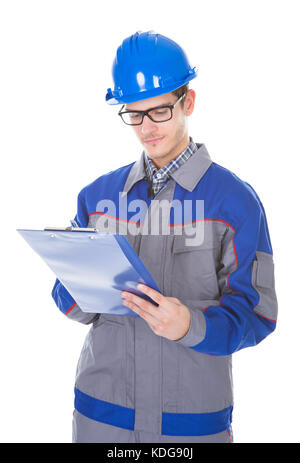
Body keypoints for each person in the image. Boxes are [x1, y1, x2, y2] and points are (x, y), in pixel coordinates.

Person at [51, 31, 278, 443]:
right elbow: (71, 305)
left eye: (158, 112)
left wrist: (191, 325)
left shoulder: (235, 202)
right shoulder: (98, 196)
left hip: (191, 426)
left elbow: (259, 314)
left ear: (187, 103)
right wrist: (71, 272)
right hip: (101, 416)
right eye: (133, 114)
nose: (145, 128)